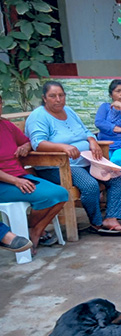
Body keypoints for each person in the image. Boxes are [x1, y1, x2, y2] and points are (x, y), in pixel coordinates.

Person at [25, 81, 121, 236]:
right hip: (60, 166)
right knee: (90, 185)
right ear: (44, 98)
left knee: (117, 177)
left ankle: (111, 218)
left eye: (61, 95)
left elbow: (86, 130)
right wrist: (64, 147)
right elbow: (38, 143)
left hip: (87, 161)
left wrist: (93, 141)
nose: (58, 99)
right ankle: (96, 223)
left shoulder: (68, 111)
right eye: (53, 96)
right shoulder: (39, 116)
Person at [0, 94, 68, 254]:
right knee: (46, 196)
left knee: (61, 194)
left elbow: (27, 140)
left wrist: (26, 146)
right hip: (5, 182)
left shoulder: (6, 125)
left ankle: (35, 230)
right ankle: (24, 234)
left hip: (20, 175)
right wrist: (15, 181)